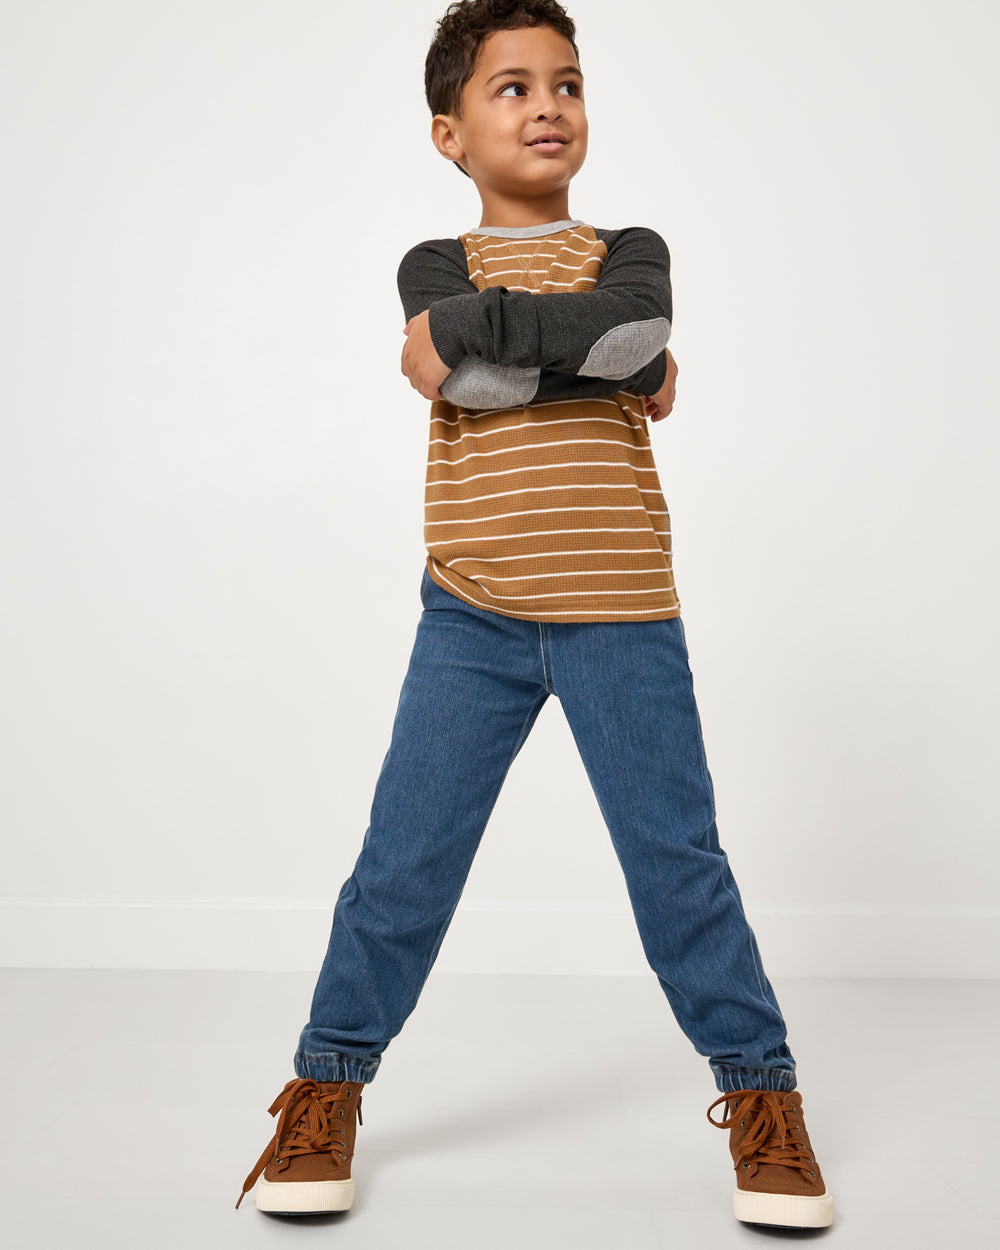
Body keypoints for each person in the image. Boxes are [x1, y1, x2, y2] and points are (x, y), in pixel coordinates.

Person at [236, 0, 834, 1230]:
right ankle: (325, 1084)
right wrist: (598, 357)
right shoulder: (434, 268)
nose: (547, 105)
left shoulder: (632, 248)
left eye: (565, 82)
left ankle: (762, 1093)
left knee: (680, 873)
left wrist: (567, 347)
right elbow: (476, 352)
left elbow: (621, 331)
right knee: (403, 867)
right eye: (511, 89)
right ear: (448, 132)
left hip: (624, 614)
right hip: (473, 615)